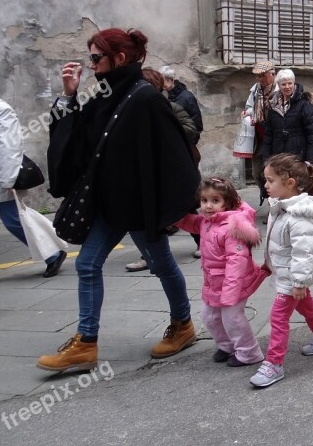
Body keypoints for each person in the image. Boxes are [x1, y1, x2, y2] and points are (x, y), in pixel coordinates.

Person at [38, 28, 201, 373]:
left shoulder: (146, 98)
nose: (91, 65)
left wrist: (169, 204)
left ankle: (183, 325)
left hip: (139, 205)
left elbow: (175, 151)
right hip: (108, 203)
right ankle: (85, 343)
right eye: (91, 57)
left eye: (96, 58)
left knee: (161, 264)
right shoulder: (104, 95)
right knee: (86, 264)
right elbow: (80, 140)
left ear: (120, 58)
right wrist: (69, 98)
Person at [250, 154, 313, 388]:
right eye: (265, 180)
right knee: (306, 305)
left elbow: (304, 253)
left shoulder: (299, 217)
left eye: (270, 180)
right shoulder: (281, 207)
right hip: (287, 272)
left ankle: (274, 364)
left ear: (289, 183)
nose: (265, 185)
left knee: (278, 317)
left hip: (293, 276)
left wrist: (299, 282)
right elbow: (279, 244)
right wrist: (270, 263)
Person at [174, 178, 266, 368]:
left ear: (227, 202)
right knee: (209, 316)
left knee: (232, 318)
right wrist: (171, 215)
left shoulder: (232, 227)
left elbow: (237, 262)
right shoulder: (206, 222)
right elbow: (190, 222)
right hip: (214, 283)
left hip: (234, 284)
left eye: (215, 201)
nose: (208, 206)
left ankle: (249, 352)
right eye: (204, 200)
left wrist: (230, 292)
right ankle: (228, 345)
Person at [126, 68, 200, 272]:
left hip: (174, 167)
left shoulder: (172, 107)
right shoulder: (134, 111)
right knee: (153, 210)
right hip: (151, 171)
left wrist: (166, 129)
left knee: (185, 207)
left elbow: (192, 129)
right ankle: (149, 254)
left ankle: (203, 241)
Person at [0, 96, 67, 278]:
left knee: (14, 218)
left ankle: (53, 253)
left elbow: (10, 146)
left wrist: (8, 179)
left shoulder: (1, 110)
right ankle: (53, 250)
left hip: (1, 176)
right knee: (15, 216)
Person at [262, 69, 313, 165]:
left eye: (290, 83)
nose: (287, 87)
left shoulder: (304, 104)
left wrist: (310, 160)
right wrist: (266, 160)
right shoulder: (273, 105)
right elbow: (268, 135)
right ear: (279, 86)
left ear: (294, 83)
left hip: (298, 157)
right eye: (283, 84)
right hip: (278, 157)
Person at [244, 61, 277, 206]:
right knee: (257, 173)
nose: (260, 79)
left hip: (274, 138)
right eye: (258, 76)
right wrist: (247, 112)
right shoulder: (256, 90)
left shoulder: (278, 89)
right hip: (259, 137)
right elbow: (250, 106)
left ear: (272, 74)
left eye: (263, 76)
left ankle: (274, 206)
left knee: (273, 174)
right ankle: (266, 194)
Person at [160, 65, 203, 142]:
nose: (162, 84)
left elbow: (197, 124)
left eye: (163, 81)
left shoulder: (186, 97)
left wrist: (190, 141)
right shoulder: (166, 94)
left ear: (171, 79)